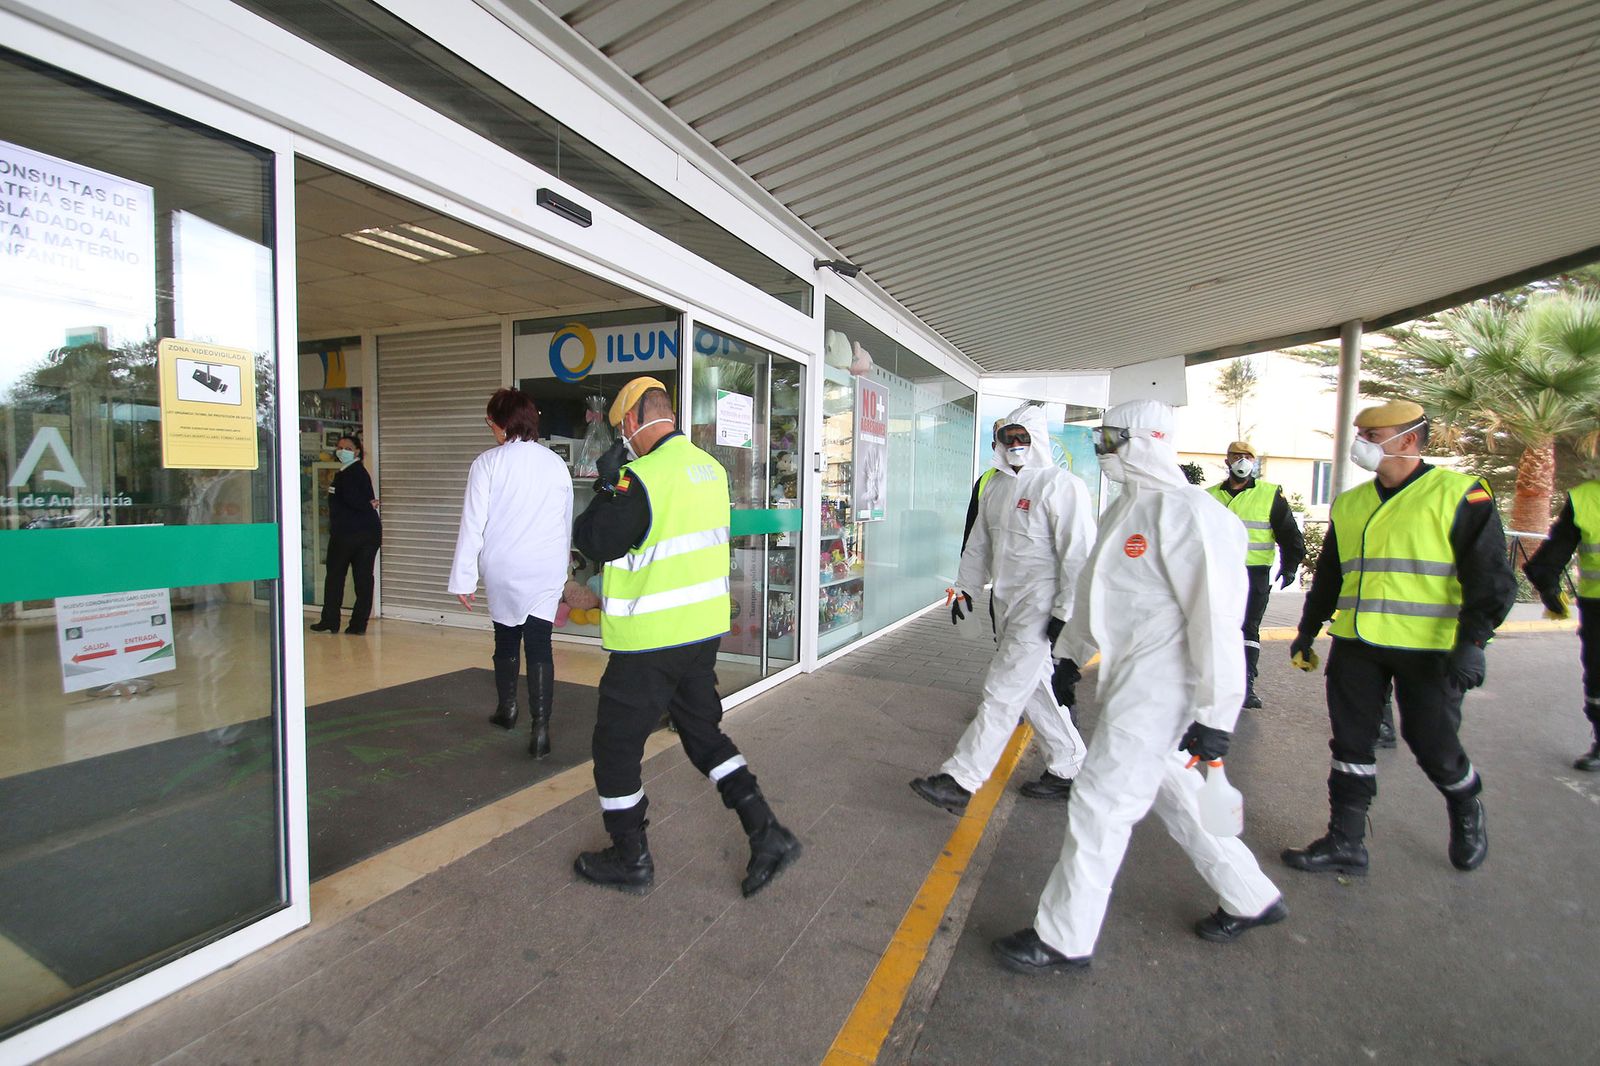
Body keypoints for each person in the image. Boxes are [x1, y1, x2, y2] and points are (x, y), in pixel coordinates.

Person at [992, 399, 1286, 975]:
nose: (1102, 449)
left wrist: (1218, 715)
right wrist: (1069, 656)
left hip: (1165, 686)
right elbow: (1095, 589)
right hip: (1130, 678)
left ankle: (1064, 937)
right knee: (1174, 789)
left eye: (1112, 439)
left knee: (1099, 802)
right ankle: (1250, 895)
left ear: (1149, 439)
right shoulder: (1125, 507)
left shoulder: (1194, 515)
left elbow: (1216, 623)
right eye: (1100, 439)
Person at [569, 376, 800, 897]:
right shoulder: (712, 470)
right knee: (702, 735)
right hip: (700, 635)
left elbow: (594, 541)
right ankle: (766, 831)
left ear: (632, 421)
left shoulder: (641, 478)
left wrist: (607, 485)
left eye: (622, 431)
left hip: (651, 642)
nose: (624, 442)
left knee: (615, 748)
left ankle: (631, 858)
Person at [1284, 400, 1515, 876]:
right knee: (1351, 741)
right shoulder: (1350, 503)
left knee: (1431, 743)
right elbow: (1330, 575)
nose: (1360, 444)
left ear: (1407, 440)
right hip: (1357, 643)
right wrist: (1308, 628)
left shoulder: (1459, 494)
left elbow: (1491, 578)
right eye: (1360, 435)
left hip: (1430, 648)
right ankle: (1345, 841)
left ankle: (1465, 802)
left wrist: (1473, 643)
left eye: (1371, 436)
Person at [910, 403, 1093, 812]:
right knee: (1035, 689)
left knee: (1003, 688)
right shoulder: (994, 487)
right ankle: (1070, 766)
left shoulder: (1062, 486)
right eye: (1007, 437)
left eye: (1021, 437)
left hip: (1041, 606)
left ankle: (961, 779)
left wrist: (1066, 613)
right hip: (1007, 602)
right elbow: (978, 545)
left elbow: (1079, 555)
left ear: (1037, 439)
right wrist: (965, 590)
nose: (1014, 444)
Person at [447, 388, 573, 758]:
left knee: (505, 639)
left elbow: (473, 523)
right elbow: (564, 520)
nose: (491, 429)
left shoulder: (487, 463)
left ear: (502, 423)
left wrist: (464, 578)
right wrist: (562, 567)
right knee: (539, 643)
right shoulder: (555, 463)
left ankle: (508, 710)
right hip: (545, 566)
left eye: (491, 422)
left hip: (503, 564)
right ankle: (541, 729)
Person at [1206, 440, 1305, 709]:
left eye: (1247, 457)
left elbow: (1289, 534)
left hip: (1254, 574)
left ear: (1254, 462)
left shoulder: (1270, 494)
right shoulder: (1209, 496)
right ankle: (1216, 683)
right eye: (1236, 456)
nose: (1242, 461)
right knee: (1216, 627)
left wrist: (1290, 566)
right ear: (1227, 461)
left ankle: (1246, 685)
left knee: (1248, 628)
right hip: (1218, 574)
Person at [1521, 476, 1600, 769]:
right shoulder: (1585, 498)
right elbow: (1552, 555)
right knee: (1598, 678)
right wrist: (1548, 584)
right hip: (1597, 607)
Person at [310, 434, 381, 635]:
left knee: (345, 577)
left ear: (357, 451)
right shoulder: (349, 472)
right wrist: (369, 504)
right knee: (354, 578)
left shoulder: (352, 473)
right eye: (339, 447)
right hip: (358, 533)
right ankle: (348, 623)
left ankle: (337, 621)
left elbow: (352, 500)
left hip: (352, 535)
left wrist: (368, 505)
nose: (342, 451)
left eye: (347, 448)